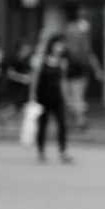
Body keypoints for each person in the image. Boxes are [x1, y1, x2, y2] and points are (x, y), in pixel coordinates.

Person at [30, 34, 73, 164]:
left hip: (57, 97)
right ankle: (41, 151)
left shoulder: (63, 62)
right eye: (58, 45)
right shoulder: (41, 60)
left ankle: (63, 151)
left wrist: (67, 97)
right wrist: (32, 95)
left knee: (62, 125)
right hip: (43, 97)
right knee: (42, 125)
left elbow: (63, 81)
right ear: (52, 45)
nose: (60, 47)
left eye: (62, 45)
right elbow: (35, 78)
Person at [63, 8, 103, 130]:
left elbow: (88, 53)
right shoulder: (77, 32)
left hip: (74, 69)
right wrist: (97, 70)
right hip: (74, 69)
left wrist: (97, 69)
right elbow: (89, 53)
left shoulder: (71, 31)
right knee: (74, 96)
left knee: (73, 96)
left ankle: (78, 120)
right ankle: (78, 120)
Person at [0, 40, 34, 127]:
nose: (28, 52)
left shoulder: (27, 61)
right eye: (26, 49)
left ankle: (9, 120)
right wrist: (22, 78)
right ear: (20, 49)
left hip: (23, 90)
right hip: (13, 88)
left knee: (19, 106)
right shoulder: (12, 60)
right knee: (15, 106)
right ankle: (3, 117)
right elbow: (10, 74)